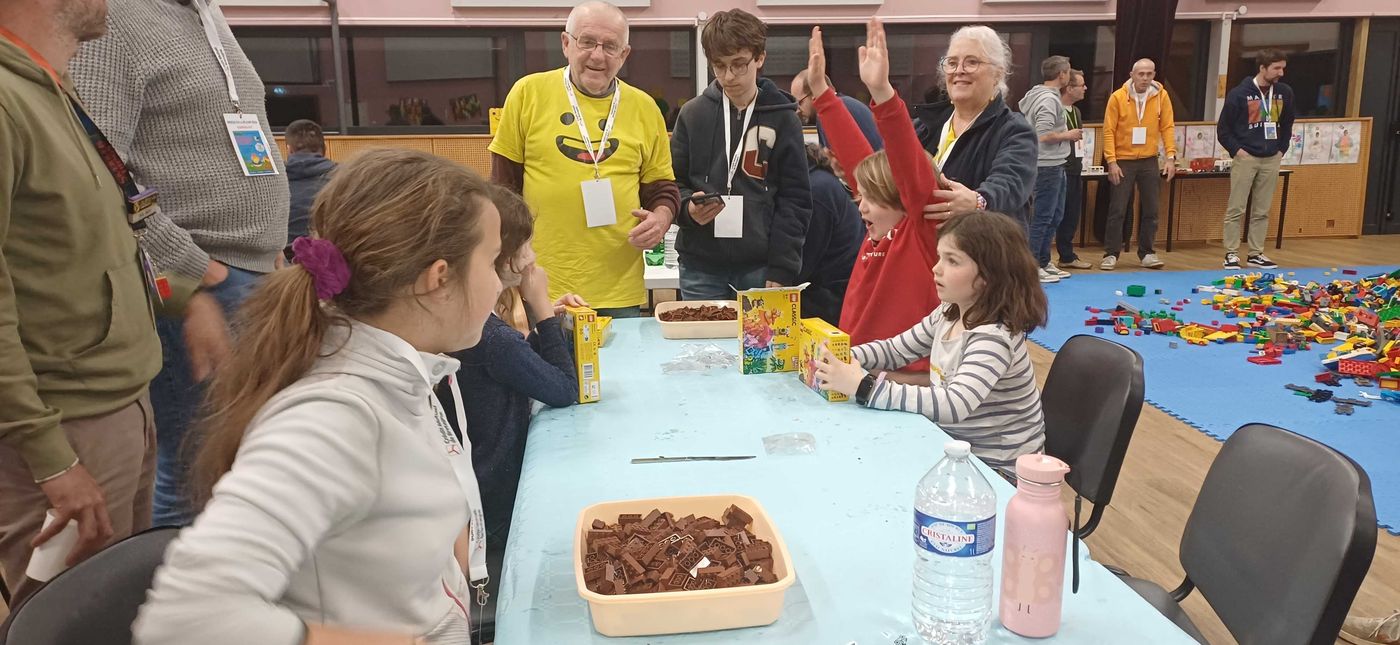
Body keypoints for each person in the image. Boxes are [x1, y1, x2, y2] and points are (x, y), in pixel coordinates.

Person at [133, 149, 500, 645]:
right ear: (439, 278)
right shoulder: (334, 416)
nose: (500, 284)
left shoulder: (395, 373)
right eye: (493, 261)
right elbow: (186, 617)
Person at [71, 0, 291, 526]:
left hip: (250, 275)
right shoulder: (114, 18)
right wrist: (187, 276)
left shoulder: (202, 12)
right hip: (195, 282)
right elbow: (99, 169)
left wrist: (271, 249)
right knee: (194, 472)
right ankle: (173, 598)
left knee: (237, 461)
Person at [0, 0, 179, 607]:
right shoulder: (6, 100)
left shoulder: (52, 88)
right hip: (64, 427)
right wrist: (49, 459)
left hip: (121, 405)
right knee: (58, 616)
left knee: (110, 609)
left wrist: (196, 297)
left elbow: (93, 251)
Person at [435, 188, 584, 639]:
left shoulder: (484, 331)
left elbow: (523, 370)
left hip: (482, 489)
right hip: (494, 506)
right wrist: (540, 307)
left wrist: (546, 325)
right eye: (523, 248)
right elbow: (562, 389)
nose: (532, 259)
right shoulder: (488, 336)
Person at [814, 210, 1048, 474]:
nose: (936, 268)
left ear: (987, 276)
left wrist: (864, 387)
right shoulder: (949, 312)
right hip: (954, 447)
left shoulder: (993, 337)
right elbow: (895, 350)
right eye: (940, 257)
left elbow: (953, 404)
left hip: (998, 470)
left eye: (952, 261)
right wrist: (842, 354)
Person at [490, 1, 679, 319]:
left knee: (618, 370)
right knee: (549, 368)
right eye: (587, 42)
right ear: (566, 43)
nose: (597, 55)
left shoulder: (646, 108)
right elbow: (501, 191)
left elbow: (662, 189)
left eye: (610, 46)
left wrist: (661, 219)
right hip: (541, 286)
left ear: (624, 54)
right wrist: (506, 268)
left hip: (620, 289)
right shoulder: (527, 94)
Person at [806, 20, 939, 375]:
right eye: (859, 194)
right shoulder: (879, 229)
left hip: (904, 379)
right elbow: (857, 160)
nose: (860, 204)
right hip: (858, 369)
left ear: (904, 201)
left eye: (871, 198)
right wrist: (821, 93)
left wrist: (882, 94)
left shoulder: (920, 230)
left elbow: (910, 166)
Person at [671, 8, 811, 299]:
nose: (728, 76)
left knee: (761, 346)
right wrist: (687, 208)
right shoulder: (692, 114)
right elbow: (672, 183)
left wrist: (783, 266)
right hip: (700, 266)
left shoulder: (784, 119)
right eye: (719, 66)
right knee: (702, 345)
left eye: (739, 64)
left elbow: (795, 199)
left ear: (759, 58)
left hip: (761, 267)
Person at [910, 26, 1038, 228]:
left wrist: (978, 201)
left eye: (972, 62)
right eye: (952, 63)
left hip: (983, 251)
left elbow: (1010, 184)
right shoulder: (923, 126)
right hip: (926, 251)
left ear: (998, 74)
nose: (959, 70)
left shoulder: (1014, 131)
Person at [1217, 49, 1293, 270]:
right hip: (1246, 156)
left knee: (1262, 209)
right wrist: (1238, 150)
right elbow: (1224, 129)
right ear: (1262, 68)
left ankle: (1255, 253)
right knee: (1236, 207)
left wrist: (1281, 149)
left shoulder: (1284, 92)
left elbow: (1287, 124)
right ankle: (1231, 253)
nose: (1281, 73)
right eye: (1276, 68)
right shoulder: (1240, 93)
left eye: (1283, 68)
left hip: (1271, 157)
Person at [1100, 58, 1176, 271]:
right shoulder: (1118, 97)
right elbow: (1108, 130)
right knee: (1118, 208)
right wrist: (1112, 161)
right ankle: (1111, 253)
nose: (1145, 78)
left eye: (1149, 74)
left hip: (1149, 159)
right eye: (1141, 74)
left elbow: (1168, 127)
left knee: (1151, 208)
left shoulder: (1161, 96)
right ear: (1132, 75)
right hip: (1123, 159)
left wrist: (1170, 157)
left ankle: (1147, 252)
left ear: (1154, 75)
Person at [1019, 55, 1080, 283]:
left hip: (1056, 163)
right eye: (1068, 71)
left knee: (1055, 215)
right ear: (1061, 75)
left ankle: (1044, 261)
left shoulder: (1049, 97)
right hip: (1045, 165)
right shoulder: (1047, 100)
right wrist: (1069, 135)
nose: (1069, 76)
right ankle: (1032, 265)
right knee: (1042, 217)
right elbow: (1042, 135)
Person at [798, 144, 864, 326]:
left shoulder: (815, 191)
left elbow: (801, 266)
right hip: (834, 290)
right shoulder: (819, 179)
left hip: (832, 298)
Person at [1055, 69, 1092, 270]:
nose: (1085, 88)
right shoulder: (1055, 109)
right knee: (1053, 214)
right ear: (1069, 88)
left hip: (1075, 168)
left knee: (1072, 213)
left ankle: (1067, 255)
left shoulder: (1076, 112)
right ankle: (1040, 258)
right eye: (1081, 85)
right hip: (1058, 167)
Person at [791, 71, 883, 151]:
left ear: (814, 95)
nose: (798, 110)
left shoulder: (835, 112)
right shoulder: (844, 104)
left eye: (800, 102)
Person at [284, 119, 336, 249]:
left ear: (289, 150)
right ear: (324, 149)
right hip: (335, 259)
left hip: (286, 261)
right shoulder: (347, 178)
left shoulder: (271, 183)